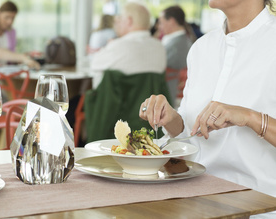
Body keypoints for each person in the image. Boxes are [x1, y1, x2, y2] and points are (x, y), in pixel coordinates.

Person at [139, 0, 276, 218]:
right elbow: (190, 137)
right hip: (198, 200)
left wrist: (250, 117)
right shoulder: (202, 48)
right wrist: (171, 118)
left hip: (262, 207)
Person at [91, 2, 166, 89]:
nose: (117, 22)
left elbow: (94, 64)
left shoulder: (118, 46)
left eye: (120, 18)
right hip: (150, 101)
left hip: (117, 102)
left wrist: (111, 45)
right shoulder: (160, 47)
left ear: (128, 21)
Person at [158, 6, 193, 103]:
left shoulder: (178, 46)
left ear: (172, 21)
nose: (159, 26)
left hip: (171, 97)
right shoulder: (181, 41)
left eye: (161, 22)